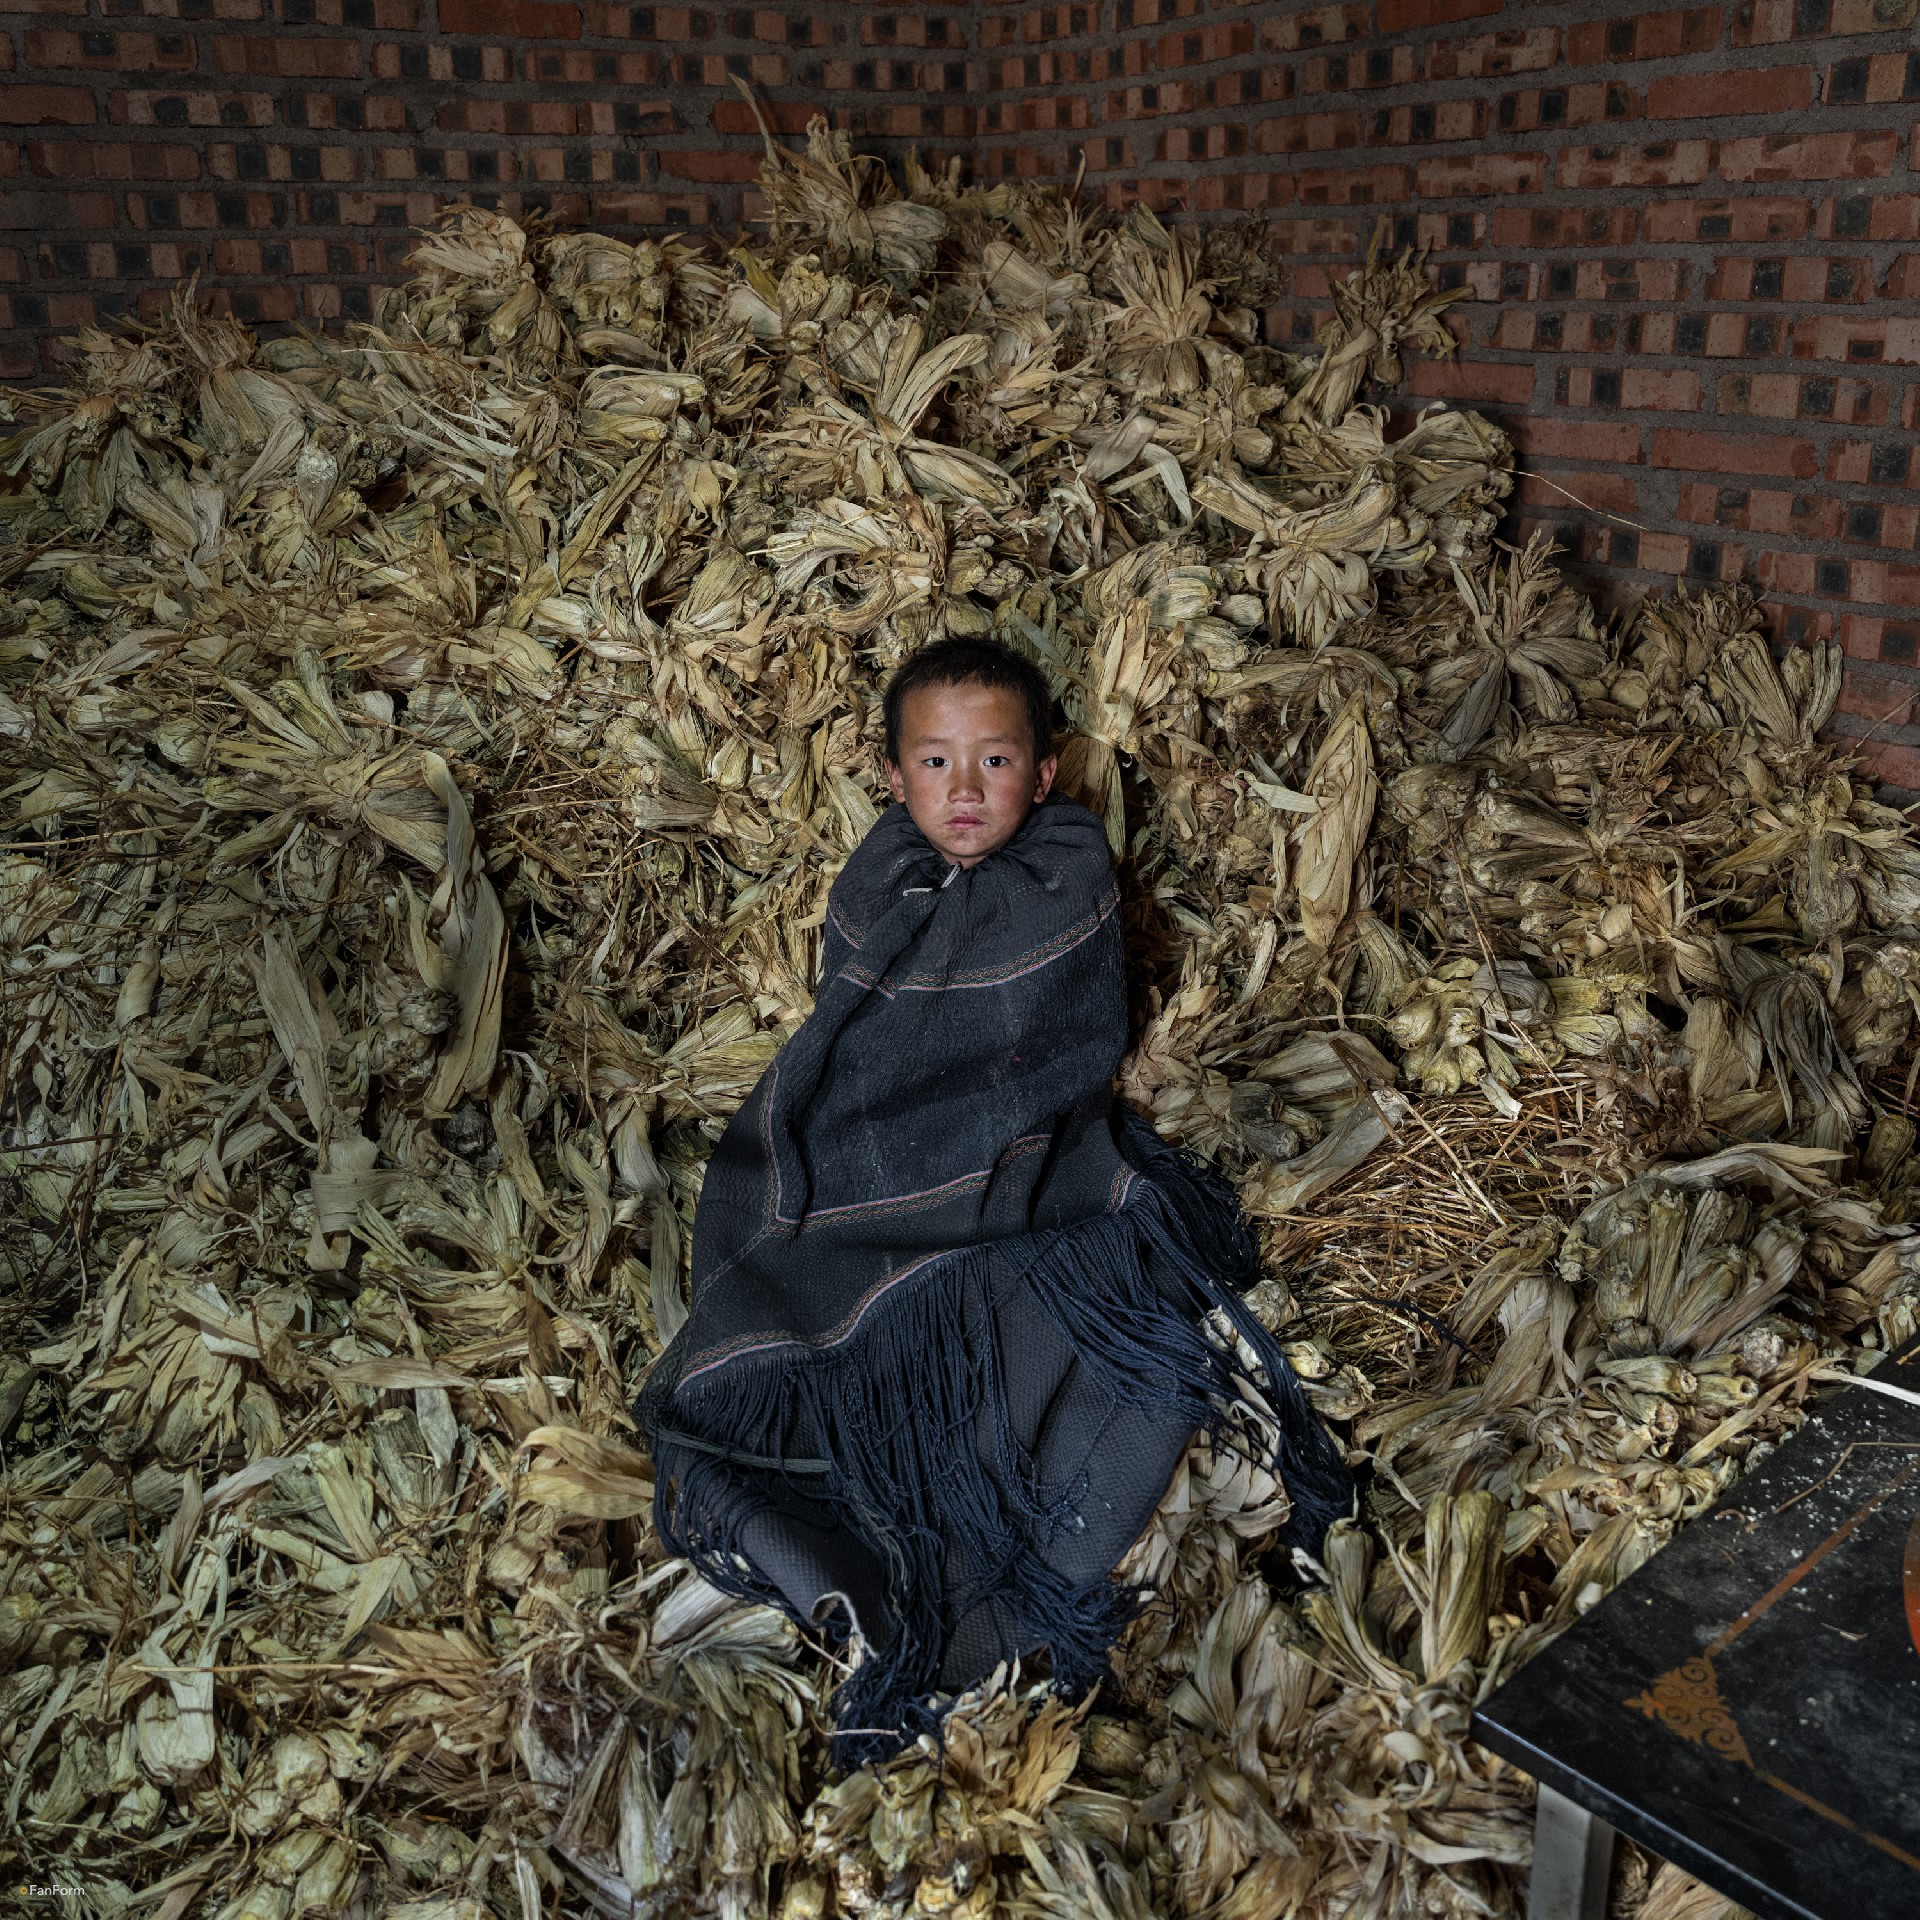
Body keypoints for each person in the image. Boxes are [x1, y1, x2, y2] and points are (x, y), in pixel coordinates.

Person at [635, 637, 1350, 1761]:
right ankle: (850, 1444)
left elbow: (1059, 1028)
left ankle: (988, 1577)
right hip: (872, 1138)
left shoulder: (1065, 870)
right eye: (934, 763)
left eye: (996, 762)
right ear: (892, 774)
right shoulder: (879, 876)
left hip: (1020, 1134)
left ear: (1046, 772)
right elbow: (847, 1031)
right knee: (779, 1247)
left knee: (1083, 1284)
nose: (964, 790)